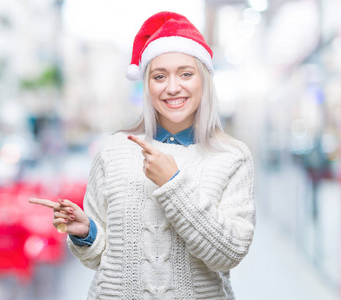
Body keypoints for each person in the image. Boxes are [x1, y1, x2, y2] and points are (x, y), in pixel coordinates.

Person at [29, 11, 255, 300]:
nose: (172, 87)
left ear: (204, 80)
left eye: (186, 73)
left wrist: (173, 184)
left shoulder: (232, 156)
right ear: (147, 84)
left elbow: (228, 254)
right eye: (159, 76)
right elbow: (100, 259)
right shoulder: (114, 150)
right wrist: (87, 232)